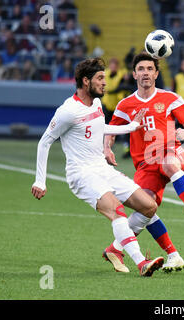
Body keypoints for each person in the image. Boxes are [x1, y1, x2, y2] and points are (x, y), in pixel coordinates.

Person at [30, 58, 164, 276]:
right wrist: (40, 180)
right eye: (100, 78)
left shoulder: (97, 103)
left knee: (149, 206)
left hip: (102, 169)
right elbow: (44, 141)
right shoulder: (68, 111)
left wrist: (131, 127)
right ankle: (141, 263)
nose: (105, 83)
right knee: (117, 211)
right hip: (81, 174)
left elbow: (101, 128)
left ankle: (114, 249)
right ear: (86, 81)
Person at [103, 52, 184, 273]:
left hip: (170, 151)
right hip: (144, 164)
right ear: (134, 74)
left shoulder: (170, 98)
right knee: (146, 208)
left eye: (150, 69)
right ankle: (172, 255)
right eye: (141, 69)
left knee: (169, 163)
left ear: (156, 73)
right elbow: (111, 131)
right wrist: (106, 148)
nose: (145, 73)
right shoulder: (126, 104)